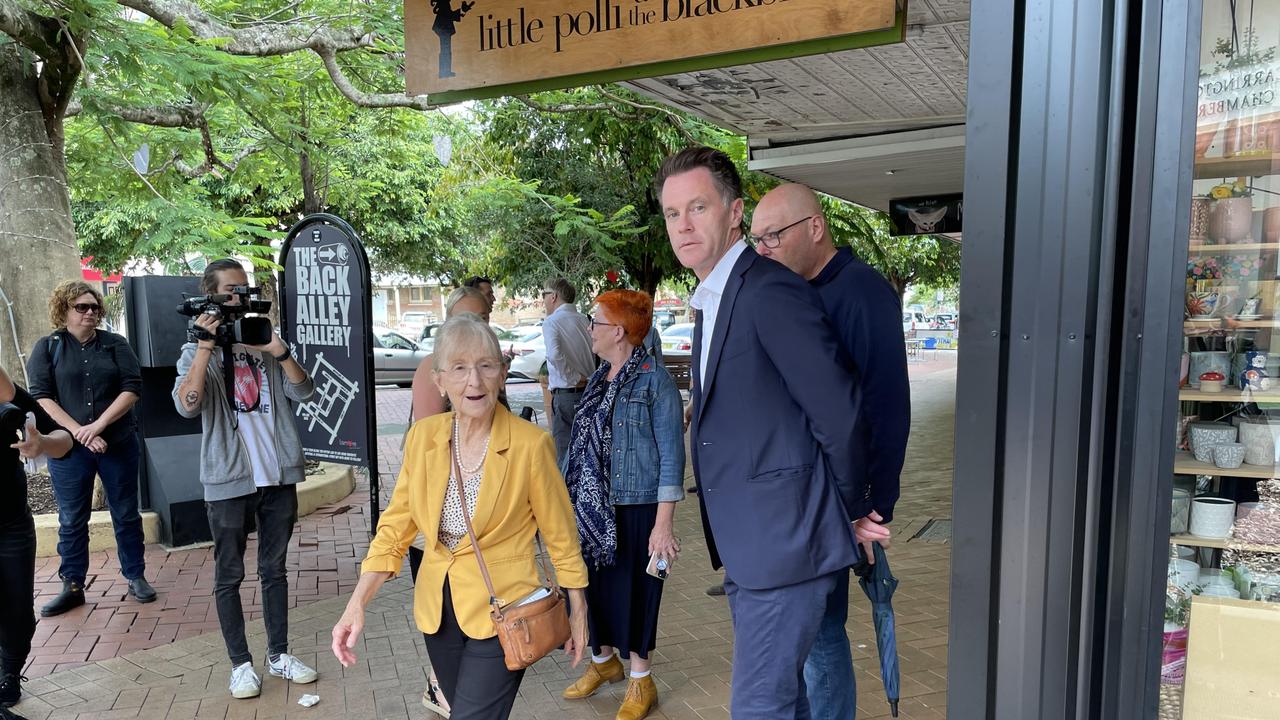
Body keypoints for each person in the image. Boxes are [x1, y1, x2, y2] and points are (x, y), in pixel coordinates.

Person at [657, 146, 875, 719]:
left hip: (786, 541)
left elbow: (839, 409)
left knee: (759, 707)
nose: (683, 225)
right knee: (787, 701)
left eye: (697, 207)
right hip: (752, 546)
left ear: (734, 212)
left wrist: (851, 508)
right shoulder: (714, 299)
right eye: (672, 213)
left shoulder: (768, 290)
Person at [331, 315, 591, 720]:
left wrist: (579, 609)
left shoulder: (529, 445)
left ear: (502, 373)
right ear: (439, 381)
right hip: (439, 611)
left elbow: (561, 535)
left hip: (506, 605)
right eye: (459, 368)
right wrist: (357, 602)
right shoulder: (424, 438)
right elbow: (396, 527)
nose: (475, 381)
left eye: (486, 365)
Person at [751, 183, 909, 720]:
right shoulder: (786, 293)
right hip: (795, 498)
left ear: (814, 228)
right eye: (755, 239)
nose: (762, 249)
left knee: (821, 632)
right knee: (801, 633)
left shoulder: (861, 291)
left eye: (773, 235)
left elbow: (887, 408)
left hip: (841, 500)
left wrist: (874, 504)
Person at [172, 259, 320, 699]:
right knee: (229, 575)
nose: (240, 297)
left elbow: (305, 391)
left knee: (274, 570)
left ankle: (279, 655)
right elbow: (187, 404)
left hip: (276, 476)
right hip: (228, 480)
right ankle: (241, 665)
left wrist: (281, 352)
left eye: (244, 289)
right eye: (231, 290)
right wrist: (204, 347)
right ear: (212, 294)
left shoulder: (263, 341)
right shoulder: (193, 352)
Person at [559, 290, 685, 720]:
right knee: (594, 590)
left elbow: (672, 456)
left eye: (594, 321)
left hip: (637, 508)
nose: (588, 328)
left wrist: (663, 526)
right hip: (594, 511)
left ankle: (640, 681)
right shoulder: (601, 377)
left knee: (636, 594)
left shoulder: (655, 380)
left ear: (617, 330)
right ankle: (603, 662)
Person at [26, 281, 155, 616]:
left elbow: (132, 388)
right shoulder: (49, 347)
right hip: (69, 448)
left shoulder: (115, 344)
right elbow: (42, 396)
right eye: (81, 307)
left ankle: (135, 575)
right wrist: (80, 432)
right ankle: (72, 585)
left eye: (94, 307)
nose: (89, 313)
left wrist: (98, 426)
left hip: (117, 442)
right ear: (64, 311)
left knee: (125, 513)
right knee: (71, 518)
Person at [407, 284, 492, 718]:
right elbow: (431, 447)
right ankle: (442, 689)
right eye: (469, 318)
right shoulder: (432, 370)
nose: (477, 326)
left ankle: (454, 691)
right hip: (439, 534)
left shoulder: (486, 368)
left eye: (484, 317)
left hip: (485, 547)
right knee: (448, 626)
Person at [0, 364, 74, 708]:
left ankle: (9, 674)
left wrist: (40, 442)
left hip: (11, 526)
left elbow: (65, 440)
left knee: (17, 614)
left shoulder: (11, 401)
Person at [541, 278, 596, 462]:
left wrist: (573, 377)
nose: (543, 300)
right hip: (589, 393)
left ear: (554, 296)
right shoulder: (585, 320)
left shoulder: (551, 322)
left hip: (566, 396)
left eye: (544, 295)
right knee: (588, 453)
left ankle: (566, 492)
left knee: (564, 456)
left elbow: (555, 355)